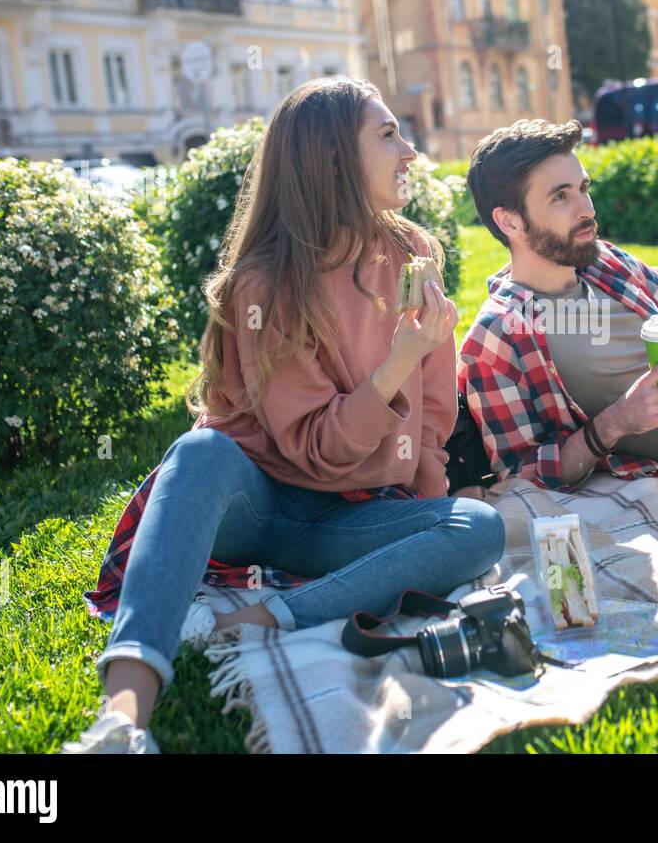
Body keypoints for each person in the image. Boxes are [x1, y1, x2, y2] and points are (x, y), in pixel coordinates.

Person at [64, 77, 505, 753]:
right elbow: (315, 451)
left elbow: (433, 417)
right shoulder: (266, 285)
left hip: (355, 517)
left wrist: (425, 528)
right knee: (198, 453)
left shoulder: (412, 255)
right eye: (388, 135)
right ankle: (123, 719)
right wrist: (397, 359)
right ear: (332, 159)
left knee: (478, 526)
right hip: (260, 507)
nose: (410, 150)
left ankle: (268, 615)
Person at [457, 118, 658, 491]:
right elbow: (520, 476)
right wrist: (615, 423)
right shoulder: (497, 337)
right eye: (560, 196)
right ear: (510, 221)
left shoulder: (604, 263)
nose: (586, 209)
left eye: (584, 188)